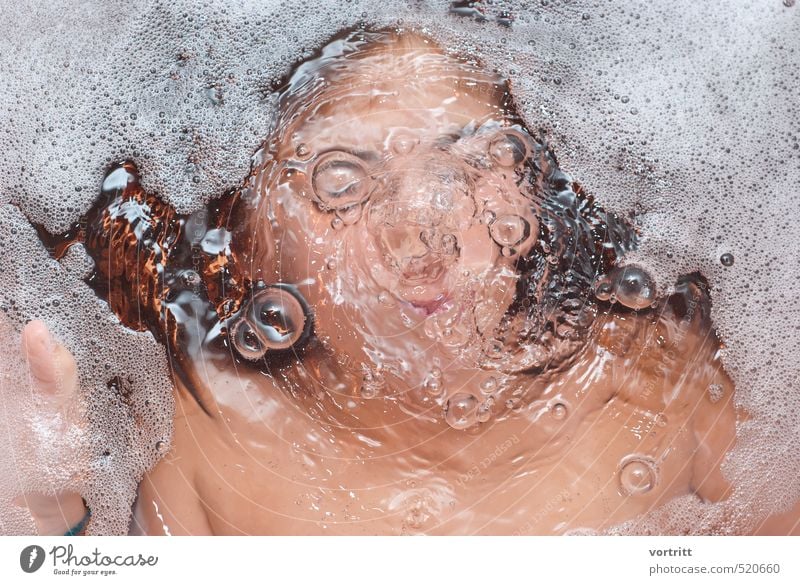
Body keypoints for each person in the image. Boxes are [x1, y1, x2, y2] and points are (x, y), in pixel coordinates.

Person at [18, 29, 752, 535]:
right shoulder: (198, 446)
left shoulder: (670, 392)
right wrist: (55, 517)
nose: (423, 242)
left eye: (469, 159)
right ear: (250, 239)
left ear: (537, 184)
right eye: (344, 180)